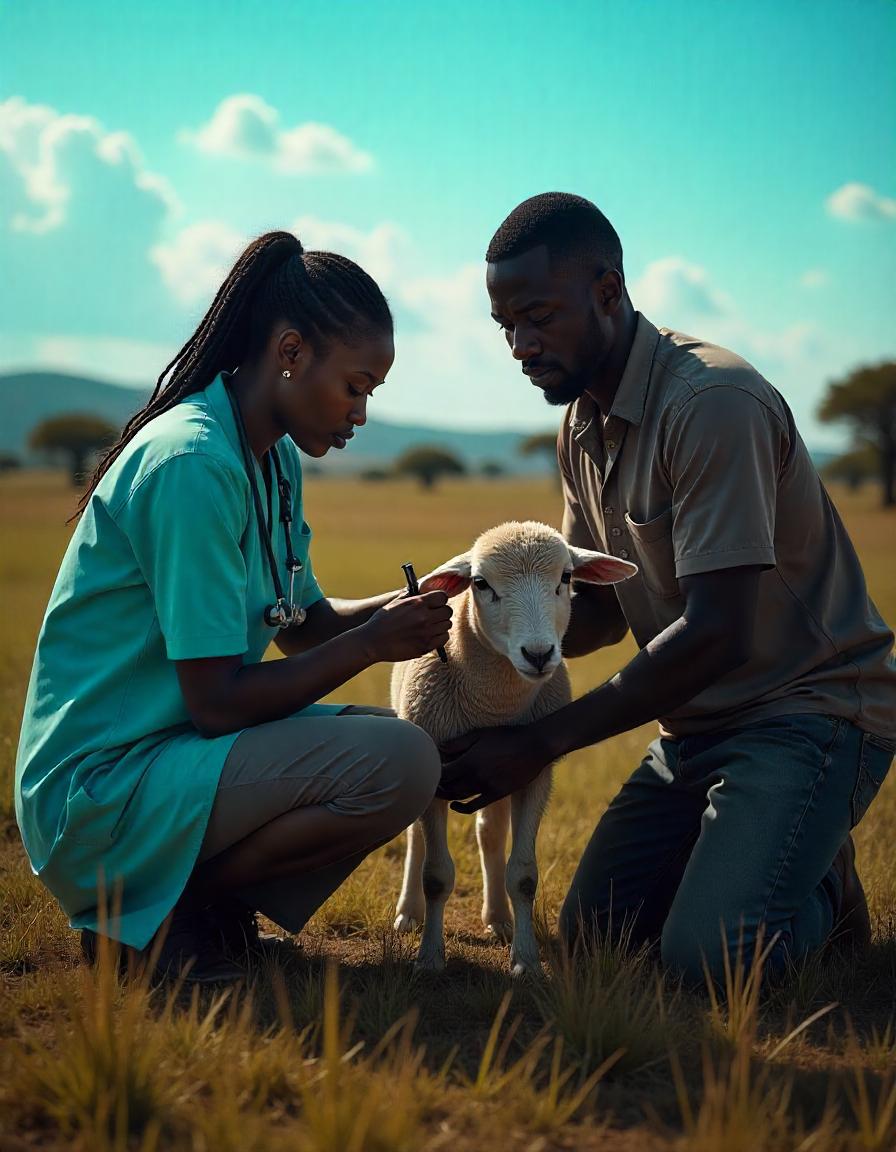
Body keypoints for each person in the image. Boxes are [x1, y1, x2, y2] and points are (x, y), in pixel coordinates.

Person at [438, 193, 896, 985]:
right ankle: (769, 852)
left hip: (810, 714)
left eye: (539, 316)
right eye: (506, 324)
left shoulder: (712, 403)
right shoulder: (580, 422)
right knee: (593, 940)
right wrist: (490, 635)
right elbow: (598, 610)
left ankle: (822, 882)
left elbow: (722, 631)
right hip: (694, 728)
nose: (520, 344)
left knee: (712, 961)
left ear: (609, 293)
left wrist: (539, 741)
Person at [15, 231, 452, 984]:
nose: (361, 413)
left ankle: (190, 914)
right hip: (99, 792)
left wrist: (435, 593)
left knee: (401, 755)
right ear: (290, 353)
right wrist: (376, 644)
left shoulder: (271, 456)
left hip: (171, 761)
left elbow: (306, 624)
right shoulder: (193, 465)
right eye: (356, 386)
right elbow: (217, 703)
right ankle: (156, 924)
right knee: (401, 759)